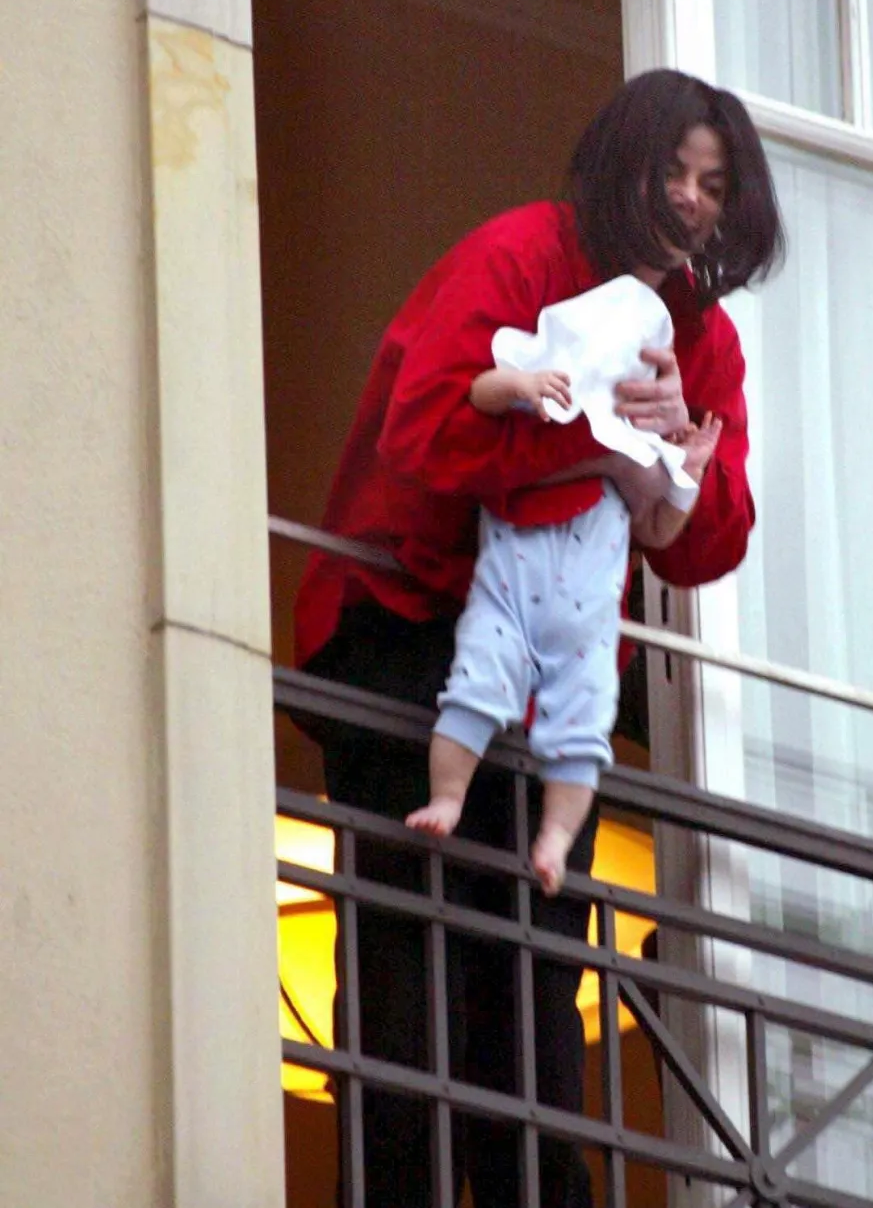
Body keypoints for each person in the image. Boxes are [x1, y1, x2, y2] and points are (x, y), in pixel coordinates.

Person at [293, 67, 784, 1208]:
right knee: (408, 994)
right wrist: (593, 442)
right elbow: (424, 430)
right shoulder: (519, 254)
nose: (691, 199)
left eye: (714, 184)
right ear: (624, 165)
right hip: (413, 635)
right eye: (673, 170)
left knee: (532, 1009)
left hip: (554, 679)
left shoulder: (702, 340)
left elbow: (709, 542)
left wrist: (678, 449)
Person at [406, 274, 725, 897]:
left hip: (587, 628)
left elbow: (658, 530)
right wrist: (521, 384)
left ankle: (555, 836)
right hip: (505, 603)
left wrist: (687, 473)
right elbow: (480, 392)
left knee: (582, 736)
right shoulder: (539, 403)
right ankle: (448, 796)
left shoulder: (636, 453)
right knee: (471, 694)